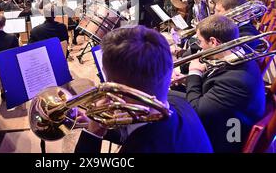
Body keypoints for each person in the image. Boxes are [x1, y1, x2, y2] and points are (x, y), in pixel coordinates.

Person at [75, 26, 213, 153]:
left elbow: (143, 139)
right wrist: (101, 125)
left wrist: (92, 134)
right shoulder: (180, 104)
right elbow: (143, 132)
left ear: (116, 87)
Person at [184, 15, 265, 153]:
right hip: (223, 118)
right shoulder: (237, 55)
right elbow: (214, 84)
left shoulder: (235, 81)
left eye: (200, 41)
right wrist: (188, 77)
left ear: (214, 42)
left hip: (222, 138)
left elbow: (196, 111)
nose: (199, 46)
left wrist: (194, 73)